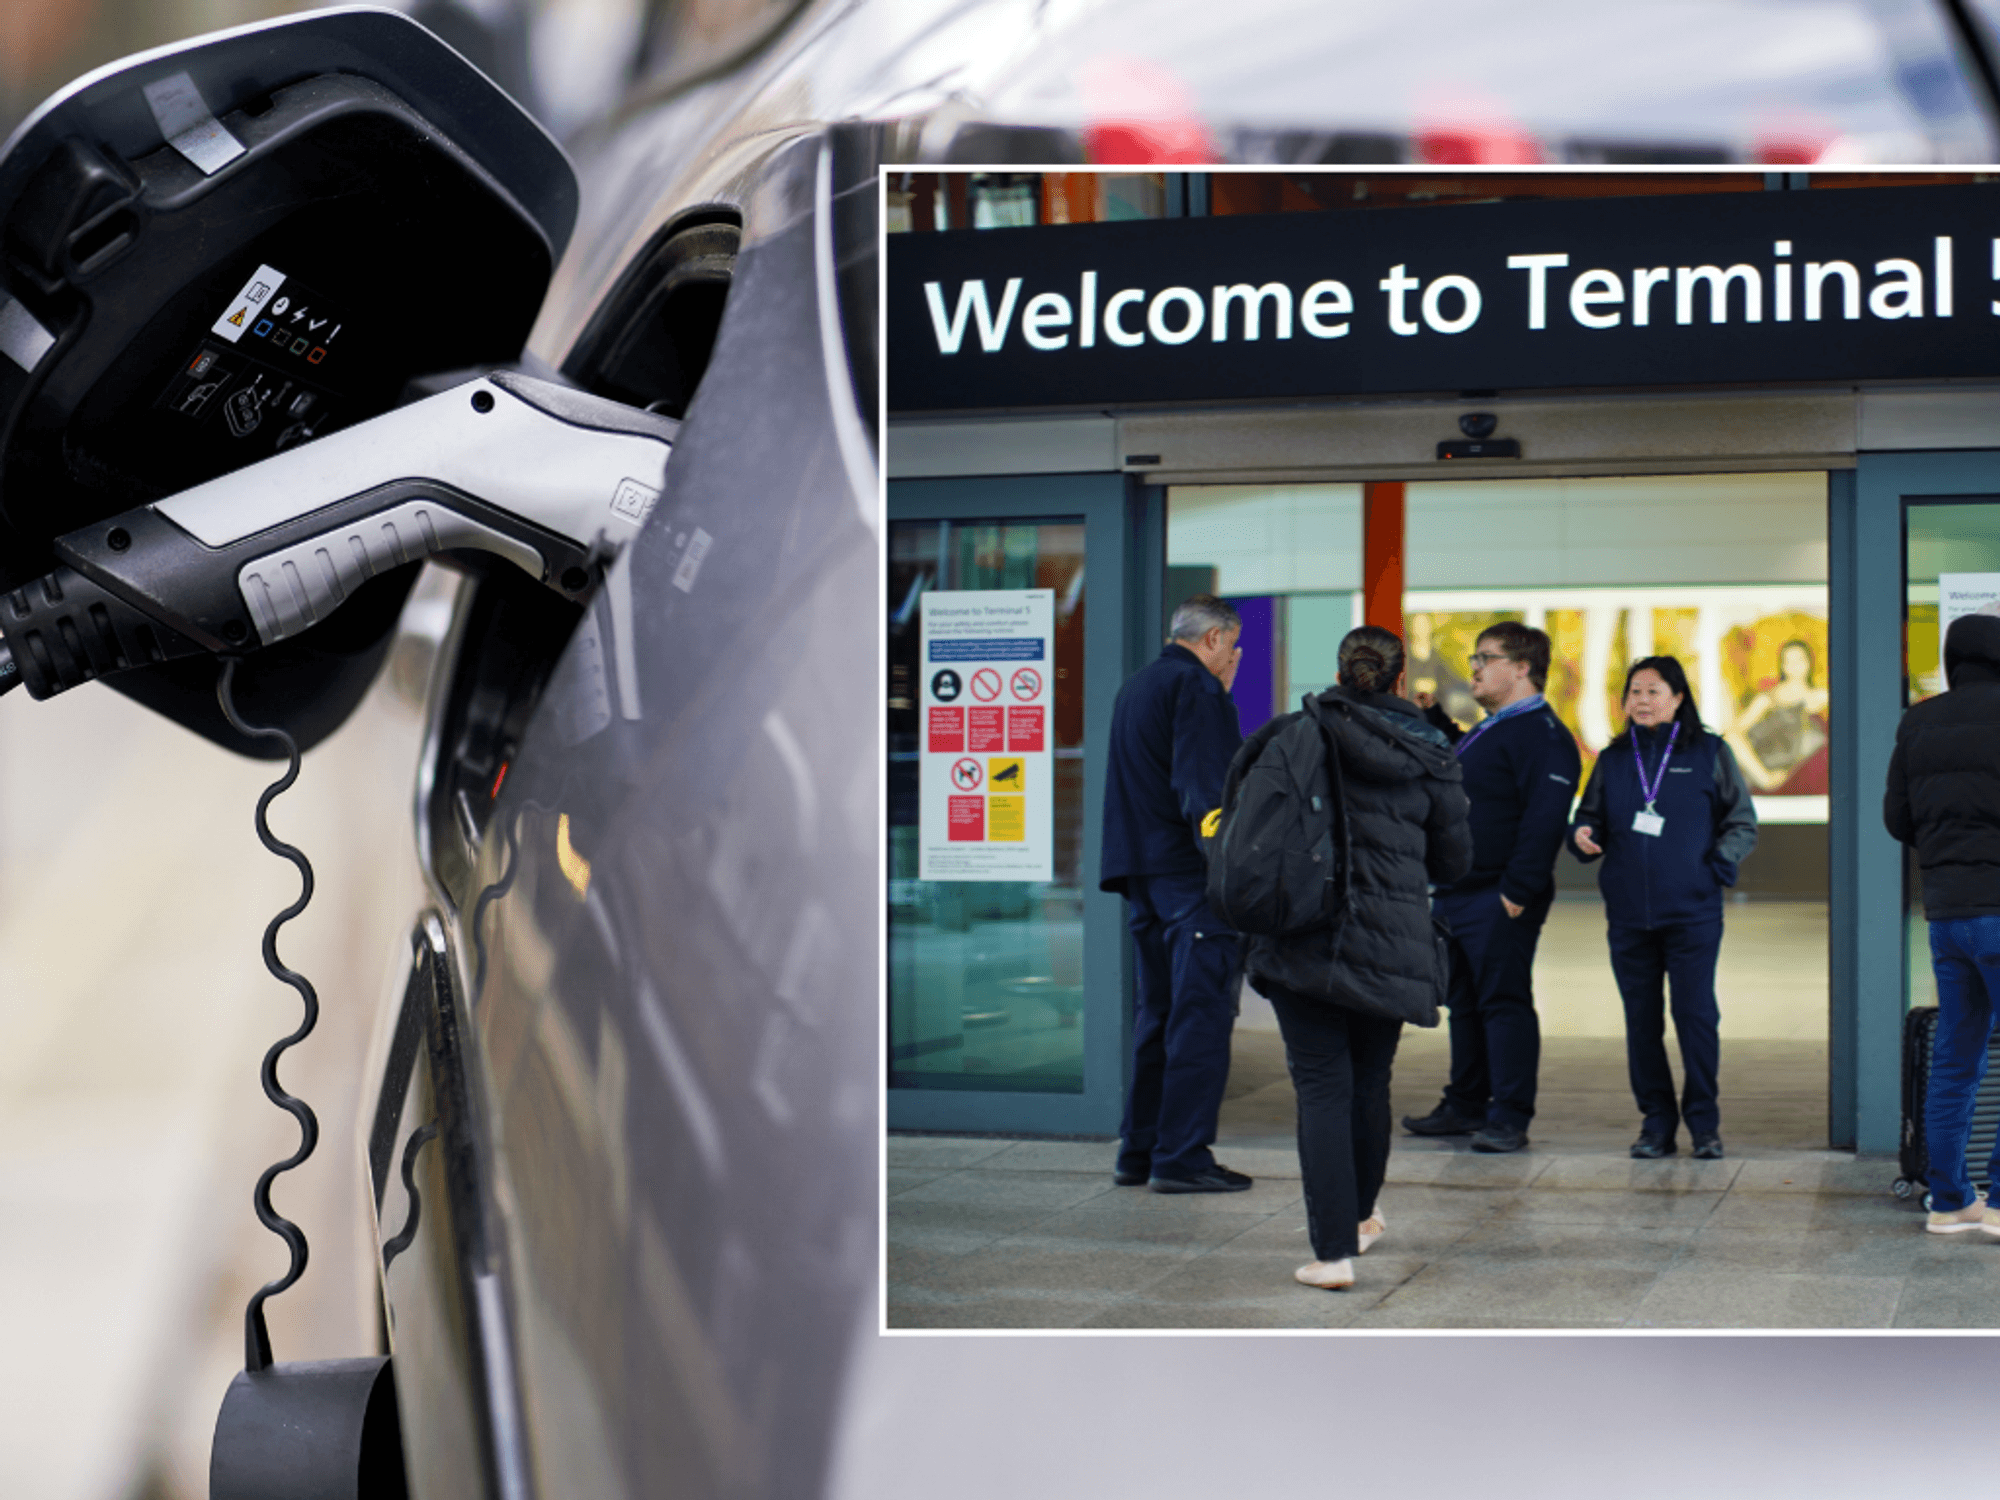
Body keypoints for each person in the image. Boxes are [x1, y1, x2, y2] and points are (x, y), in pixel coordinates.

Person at [1244, 626, 1471, 1289]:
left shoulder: (1295, 734)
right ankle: (1364, 1219)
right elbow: (1455, 862)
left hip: (1303, 935)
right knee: (1370, 1083)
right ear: (1400, 679)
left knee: (1321, 1089)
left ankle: (1334, 1252)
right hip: (1390, 943)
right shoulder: (1433, 752)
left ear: (1341, 672)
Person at [1566, 656, 1758, 1160]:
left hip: (1692, 913)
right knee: (1641, 1022)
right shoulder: (1612, 759)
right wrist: (1582, 834)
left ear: (1677, 698)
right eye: (1635, 692)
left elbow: (1741, 822)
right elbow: (1589, 818)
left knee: (1696, 1018)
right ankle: (1655, 1122)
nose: (1643, 701)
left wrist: (1717, 865)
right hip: (1629, 916)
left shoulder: (1708, 752)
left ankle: (1704, 1125)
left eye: (1654, 691)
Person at [1402, 621, 1580, 1153]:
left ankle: (1509, 1117)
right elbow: (1478, 770)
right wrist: (1436, 720)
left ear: (1522, 668)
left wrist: (1518, 891)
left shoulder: (1543, 736)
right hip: (1462, 891)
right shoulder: (1495, 727)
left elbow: (1544, 819)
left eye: (1486, 658)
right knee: (1468, 1003)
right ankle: (1465, 1104)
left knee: (1503, 1003)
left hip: (1498, 894)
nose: (1474, 668)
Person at [1099, 594, 1250, 1193]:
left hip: (1143, 876)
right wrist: (1229, 871)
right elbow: (1204, 789)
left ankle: (1139, 1151)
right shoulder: (1196, 688)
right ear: (1213, 639)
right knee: (1201, 1015)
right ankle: (1182, 1156)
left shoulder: (1137, 686)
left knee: (1158, 1014)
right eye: (1233, 646)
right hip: (1189, 878)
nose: (1233, 658)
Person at [1883, 606, 2000, 1238]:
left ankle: (1951, 1200)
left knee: (1956, 1059)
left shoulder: (1918, 722)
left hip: (1948, 915)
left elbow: (1897, 821)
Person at [1725, 636, 1830, 795]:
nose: (1795, 666)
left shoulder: (1823, 696)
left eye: (1799, 660)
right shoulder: (1768, 698)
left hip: (1809, 775)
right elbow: (1732, 734)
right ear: (1783, 666)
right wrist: (1765, 778)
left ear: (1809, 662)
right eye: (1789, 661)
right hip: (1771, 774)